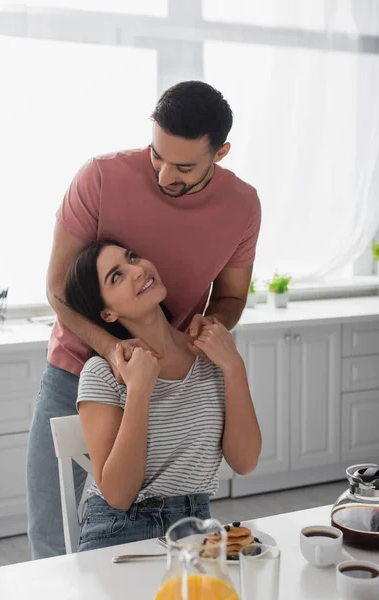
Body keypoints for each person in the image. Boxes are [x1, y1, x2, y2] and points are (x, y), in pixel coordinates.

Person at [26, 80, 261, 559]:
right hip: (78, 365)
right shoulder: (101, 177)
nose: (163, 176)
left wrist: (200, 345)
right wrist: (113, 351)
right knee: (52, 529)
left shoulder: (242, 206)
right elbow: (58, 289)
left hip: (173, 366)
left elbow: (232, 296)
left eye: (183, 166)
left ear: (221, 153)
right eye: (157, 155)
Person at [64, 239, 261, 551]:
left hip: (196, 528)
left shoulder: (213, 356)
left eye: (132, 258)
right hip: (119, 529)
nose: (138, 270)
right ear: (107, 314)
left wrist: (234, 367)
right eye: (117, 276)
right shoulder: (103, 373)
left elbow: (245, 462)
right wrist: (139, 390)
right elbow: (118, 494)